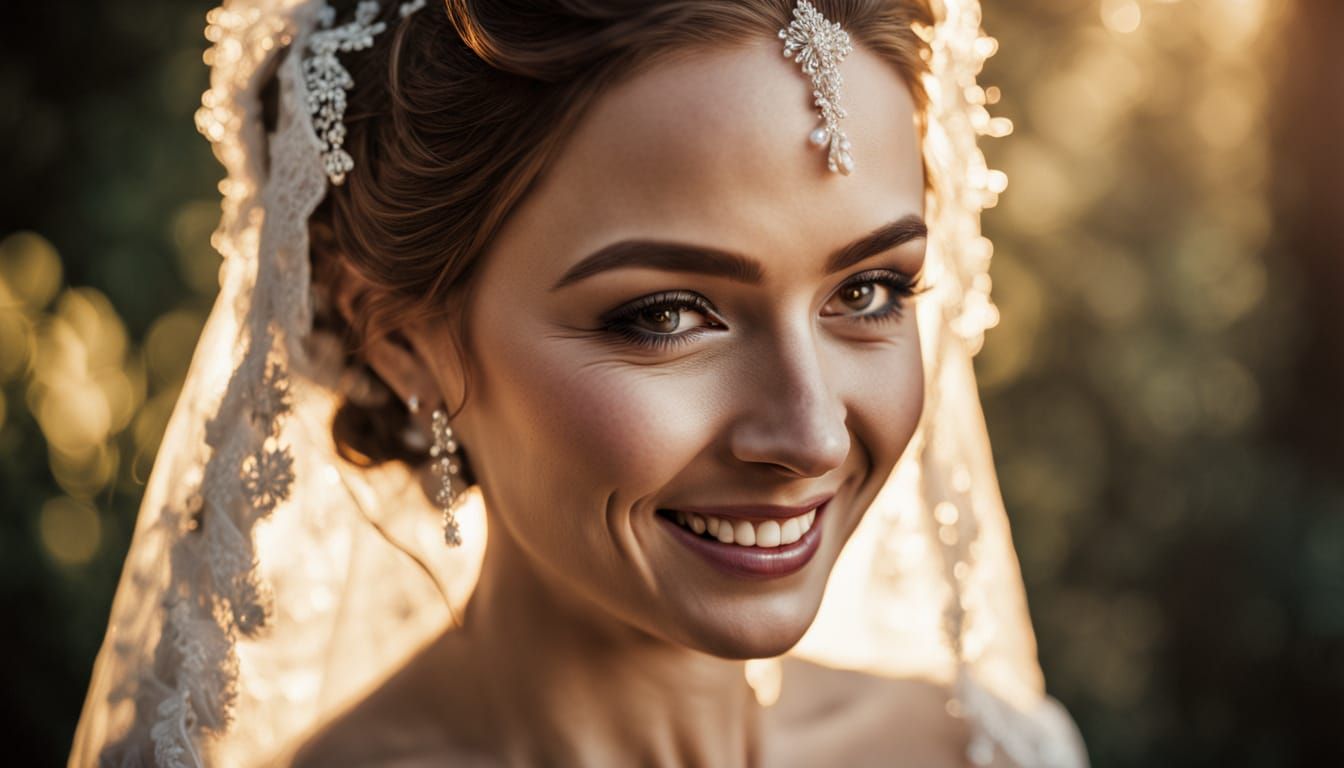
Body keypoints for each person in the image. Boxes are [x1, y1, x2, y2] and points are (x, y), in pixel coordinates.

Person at [71, 0, 1089, 765]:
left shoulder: (986, 750)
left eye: (868, 290)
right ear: (404, 344)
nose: (811, 434)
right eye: (667, 315)